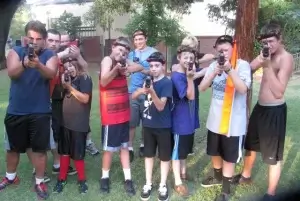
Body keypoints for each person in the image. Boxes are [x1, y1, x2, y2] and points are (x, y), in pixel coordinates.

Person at [233, 23, 294, 201]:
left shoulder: (286, 58)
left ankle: (271, 193)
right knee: (250, 146)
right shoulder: (267, 54)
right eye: (265, 42)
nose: (268, 45)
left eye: (271, 41)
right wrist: (260, 59)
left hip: (274, 112)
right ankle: (245, 175)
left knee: (272, 155)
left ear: (280, 39)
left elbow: (278, 91)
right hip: (260, 108)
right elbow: (249, 69)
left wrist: (266, 66)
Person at [0, 20, 58, 200]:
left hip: (40, 111)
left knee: (39, 150)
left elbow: (51, 73)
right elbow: (12, 72)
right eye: (31, 38)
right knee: (12, 149)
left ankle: (39, 181)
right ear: (26, 38)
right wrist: (25, 64)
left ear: (44, 39)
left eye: (39, 38)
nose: (34, 42)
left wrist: (38, 64)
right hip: (16, 110)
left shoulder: (50, 55)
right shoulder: (15, 52)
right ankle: (11, 177)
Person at [199, 35, 251, 201]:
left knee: (228, 157)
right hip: (215, 121)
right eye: (220, 50)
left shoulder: (242, 65)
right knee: (215, 152)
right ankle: (217, 177)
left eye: (226, 50)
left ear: (232, 49)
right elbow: (201, 88)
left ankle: (226, 191)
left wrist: (229, 70)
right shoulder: (214, 65)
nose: (223, 53)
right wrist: (214, 72)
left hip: (233, 124)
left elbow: (243, 89)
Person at [99, 37, 143, 196]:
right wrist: (116, 69)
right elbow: (104, 81)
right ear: (113, 47)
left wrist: (128, 68)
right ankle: (104, 177)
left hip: (124, 113)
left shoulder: (124, 62)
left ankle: (128, 179)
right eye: (119, 49)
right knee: (109, 150)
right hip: (110, 116)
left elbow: (140, 66)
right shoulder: (107, 60)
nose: (121, 53)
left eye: (125, 52)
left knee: (125, 147)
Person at [132, 52, 173, 201]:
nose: (154, 69)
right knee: (148, 155)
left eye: (157, 65)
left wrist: (152, 91)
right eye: (151, 66)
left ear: (163, 66)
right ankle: (148, 183)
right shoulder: (147, 79)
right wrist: (142, 90)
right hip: (148, 125)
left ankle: (162, 185)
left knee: (164, 157)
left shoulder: (167, 83)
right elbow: (133, 96)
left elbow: (161, 106)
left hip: (163, 127)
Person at [171, 35, 216, 155]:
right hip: (182, 93)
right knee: (182, 118)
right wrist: (196, 64)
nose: (191, 49)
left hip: (193, 92)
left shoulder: (193, 59)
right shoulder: (179, 60)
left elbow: (209, 63)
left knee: (192, 118)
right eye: (188, 46)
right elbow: (175, 68)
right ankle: (181, 147)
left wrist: (197, 71)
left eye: (194, 47)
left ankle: (189, 147)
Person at [53, 58, 92, 194]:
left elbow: (85, 99)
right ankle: (61, 179)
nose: (69, 68)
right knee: (64, 152)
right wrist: (64, 85)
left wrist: (69, 87)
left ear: (77, 65)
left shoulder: (84, 78)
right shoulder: (66, 80)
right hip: (65, 123)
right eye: (66, 66)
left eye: (71, 65)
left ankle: (82, 180)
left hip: (78, 124)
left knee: (78, 154)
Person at [58, 32, 99, 156]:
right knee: (64, 119)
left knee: (81, 116)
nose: (64, 43)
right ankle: (66, 148)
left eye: (66, 40)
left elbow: (85, 66)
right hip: (59, 89)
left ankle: (88, 142)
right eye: (62, 40)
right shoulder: (57, 53)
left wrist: (77, 56)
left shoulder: (74, 51)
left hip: (76, 84)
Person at [170, 45, 197, 197]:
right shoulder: (177, 76)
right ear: (179, 58)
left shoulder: (188, 73)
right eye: (185, 57)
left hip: (188, 120)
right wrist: (190, 78)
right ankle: (178, 181)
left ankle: (184, 173)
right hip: (179, 121)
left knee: (184, 149)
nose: (188, 60)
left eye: (191, 58)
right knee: (177, 151)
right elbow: (190, 96)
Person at [128, 29, 157, 162]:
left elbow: (155, 72)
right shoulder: (131, 54)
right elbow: (128, 70)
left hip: (148, 91)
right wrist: (141, 68)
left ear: (146, 39)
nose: (138, 42)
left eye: (141, 39)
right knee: (132, 122)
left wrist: (139, 68)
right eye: (136, 40)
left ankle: (143, 145)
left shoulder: (153, 52)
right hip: (133, 91)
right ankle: (129, 148)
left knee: (146, 121)